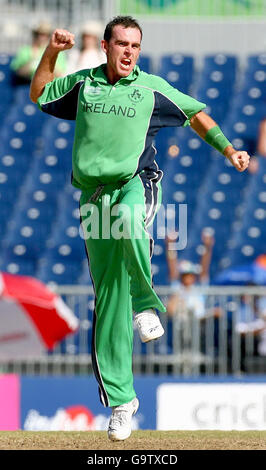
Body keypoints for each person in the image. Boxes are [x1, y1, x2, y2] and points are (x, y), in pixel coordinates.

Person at [29, 15, 250, 442]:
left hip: (136, 185)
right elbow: (39, 93)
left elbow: (197, 113)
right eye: (122, 44)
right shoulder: (84, 84)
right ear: (107, 46)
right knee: (108, 299)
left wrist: (228, 150)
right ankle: (122, 402)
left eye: (135, 45)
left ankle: (145, 305)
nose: (129, 51)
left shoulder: (151, 88)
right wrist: (53, 52)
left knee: (132, 222)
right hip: (94, 197)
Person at [166, 230, 215, 319]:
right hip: (182, 327)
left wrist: (207, 247)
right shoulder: (177, 288)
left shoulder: (199, 289)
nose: (188, 277)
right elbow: (173, 270)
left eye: (190, 275)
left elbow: (204, 270)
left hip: (199, 326)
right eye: (185, 275)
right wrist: (170, 245)